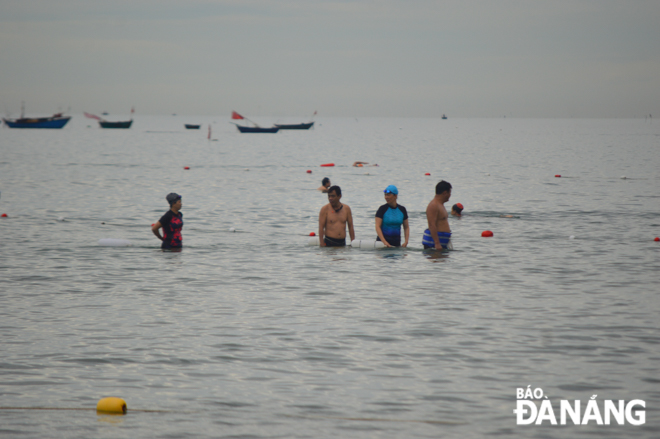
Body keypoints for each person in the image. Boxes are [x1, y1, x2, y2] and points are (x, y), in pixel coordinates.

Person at [423, 181, 453, 250]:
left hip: (442, 244)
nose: (450, 195)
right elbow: (431, 225)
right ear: (445, 193)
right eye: (449, 193)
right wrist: (437, 243)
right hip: (434, 246)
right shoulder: (433, 205)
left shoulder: (440, 205)